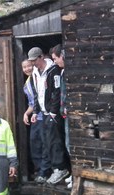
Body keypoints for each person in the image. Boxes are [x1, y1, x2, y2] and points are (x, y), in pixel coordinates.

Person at [28, 47, 71, 185]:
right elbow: (36, 94)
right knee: (47, 142)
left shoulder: (53, 70)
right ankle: (54, 169)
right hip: (44, 112)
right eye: (31, 60)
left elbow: (57, 92)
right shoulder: (34, 73)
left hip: (53, 113)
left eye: (34, 60)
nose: (33, 63)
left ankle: (61, 168)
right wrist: (35, 111)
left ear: (41, 57)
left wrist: (53, 112)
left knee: (56, 141)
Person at [21, 59, 51, 183]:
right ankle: (40, 171)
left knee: (44, 144)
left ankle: (44, 172)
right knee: (35, 144)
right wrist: (26, 113)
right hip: (35, 118)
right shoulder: (28, 81)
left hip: (42, 116)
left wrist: (31, 112)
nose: (27, 69)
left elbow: (39, 99)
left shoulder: (37, 79)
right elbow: (32, 103)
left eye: (29, 66)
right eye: (24, 67)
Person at [50, 44, 72, 188]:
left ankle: (76, 176)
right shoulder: (62, 72)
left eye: (55, 58)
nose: (55, 62)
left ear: (62, 56)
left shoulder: (69, 72)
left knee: (71, 146)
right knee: (67, 145)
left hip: (71, 115)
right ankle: (73, 174)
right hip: (65, 114)